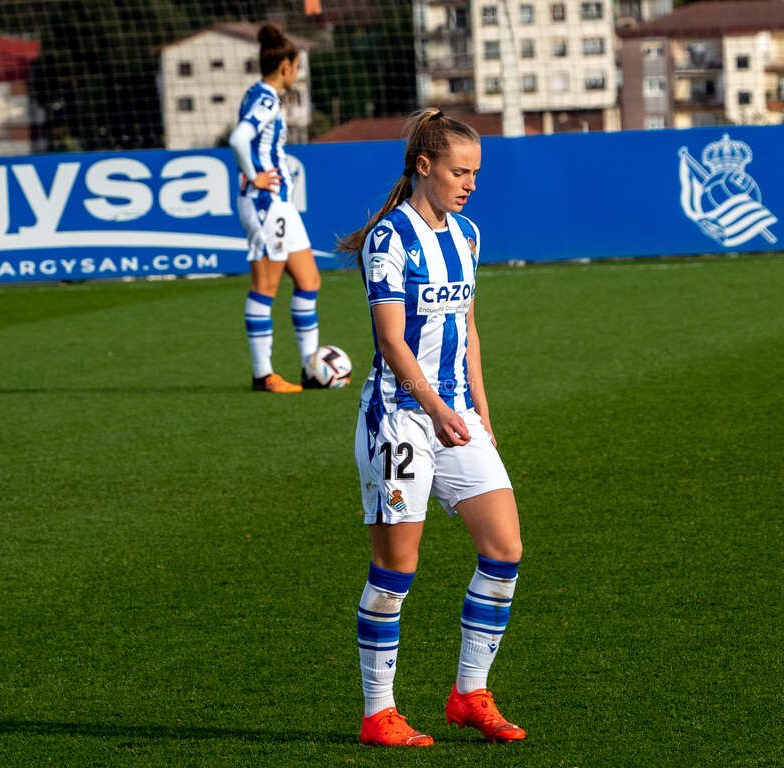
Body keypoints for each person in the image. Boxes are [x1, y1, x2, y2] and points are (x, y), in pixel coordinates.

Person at [338, 109, 526, 747]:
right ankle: (378, 712)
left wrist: (478, 410)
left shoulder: (468, 235)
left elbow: (468, 328)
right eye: (459, 171)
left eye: (476, 173)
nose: (470, 184)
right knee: (396, 569)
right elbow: (392, 341)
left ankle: (470, 694)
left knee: (504, 550)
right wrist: (436, 410)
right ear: (424, 166)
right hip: (398, 420)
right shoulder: (390, 239)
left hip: (457, 416)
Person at [230, 23, 327, 392]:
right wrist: (254, 175)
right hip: (265, 205)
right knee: (265, 285)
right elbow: (239, 138)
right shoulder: (267, 99)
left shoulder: (258, 94)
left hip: (281, 205)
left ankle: (311, 368)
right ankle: (263, 374)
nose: (297, 73)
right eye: (297, 66)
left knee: (309, 280)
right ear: (285, 66)